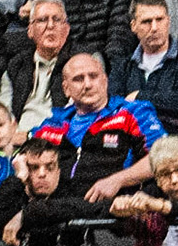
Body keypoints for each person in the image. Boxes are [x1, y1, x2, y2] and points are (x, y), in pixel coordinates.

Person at [36, 51, 165, 205]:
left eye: (93, 76)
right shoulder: (52, 125)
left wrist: (118, 180)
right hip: (56, 209)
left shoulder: (133, 113)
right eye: (78, 79)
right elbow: (25, 159)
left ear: (105, 80)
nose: (88, 85)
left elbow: (161, 158)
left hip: (109, 209)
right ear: (66, 88)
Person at [112, 0, 178, 139]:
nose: (154, 27)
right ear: (133, 26)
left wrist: (138, 96)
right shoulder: (123, 66)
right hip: (130, 141)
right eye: (146, 22)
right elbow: (112, 105)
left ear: (168, 21)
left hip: (175, 142)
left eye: (159, 19)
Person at [0, 134, 90, 246]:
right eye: (34, 168)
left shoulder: (71, 192)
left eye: (49, 167)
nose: (42, 174)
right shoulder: (13, 194)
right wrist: (19, 178)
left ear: (58, 171)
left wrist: (25, 215)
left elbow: (87, 206)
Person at [7, 0, 71, 129]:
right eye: (42, 20)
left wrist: (33, 135)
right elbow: (4, 112)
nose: (50, 25)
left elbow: (77, 114)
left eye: (57, 20)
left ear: (67, 29)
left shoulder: (80, 64)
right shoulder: (15, 65)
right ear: (30, 30)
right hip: (16, 135)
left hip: (58, 134)